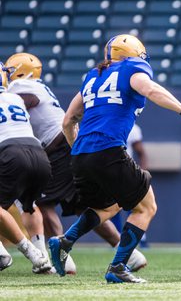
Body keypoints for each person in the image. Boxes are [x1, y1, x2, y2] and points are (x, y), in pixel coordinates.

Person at [48, 34, 181, 283]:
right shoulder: (133, 68)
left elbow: (68, 121)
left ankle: (65, 241)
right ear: (134, 53)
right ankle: (118, 266)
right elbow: (150, 89)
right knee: (147, 206)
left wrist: (79, 150)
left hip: (80, 155)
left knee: (109, 206)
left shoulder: (93, 76)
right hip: (108, 149)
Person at [5, 52, 148, 274]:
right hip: (68, 144)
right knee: (88, 207)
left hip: (55, 146)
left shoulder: (19, 89)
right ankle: (130, 253)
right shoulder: (39, 86)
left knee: (44, 204)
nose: (8, 75)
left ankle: (61, 257)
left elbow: (28, 102)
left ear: (21, 71)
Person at [0, 62, 52, 273]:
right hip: (38, 153)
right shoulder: (15, 98)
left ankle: (31, 253)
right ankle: (44, 259)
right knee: (28, 205)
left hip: (10, 153)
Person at [111, 123, 150, 248]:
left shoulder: (133, 128)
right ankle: (117, 239)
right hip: (109, 172)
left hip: (127, 172)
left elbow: (141, 152)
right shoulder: (108, 123)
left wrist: (143, 174)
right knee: (112, 208)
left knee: (135, 207)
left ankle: (140, 239)